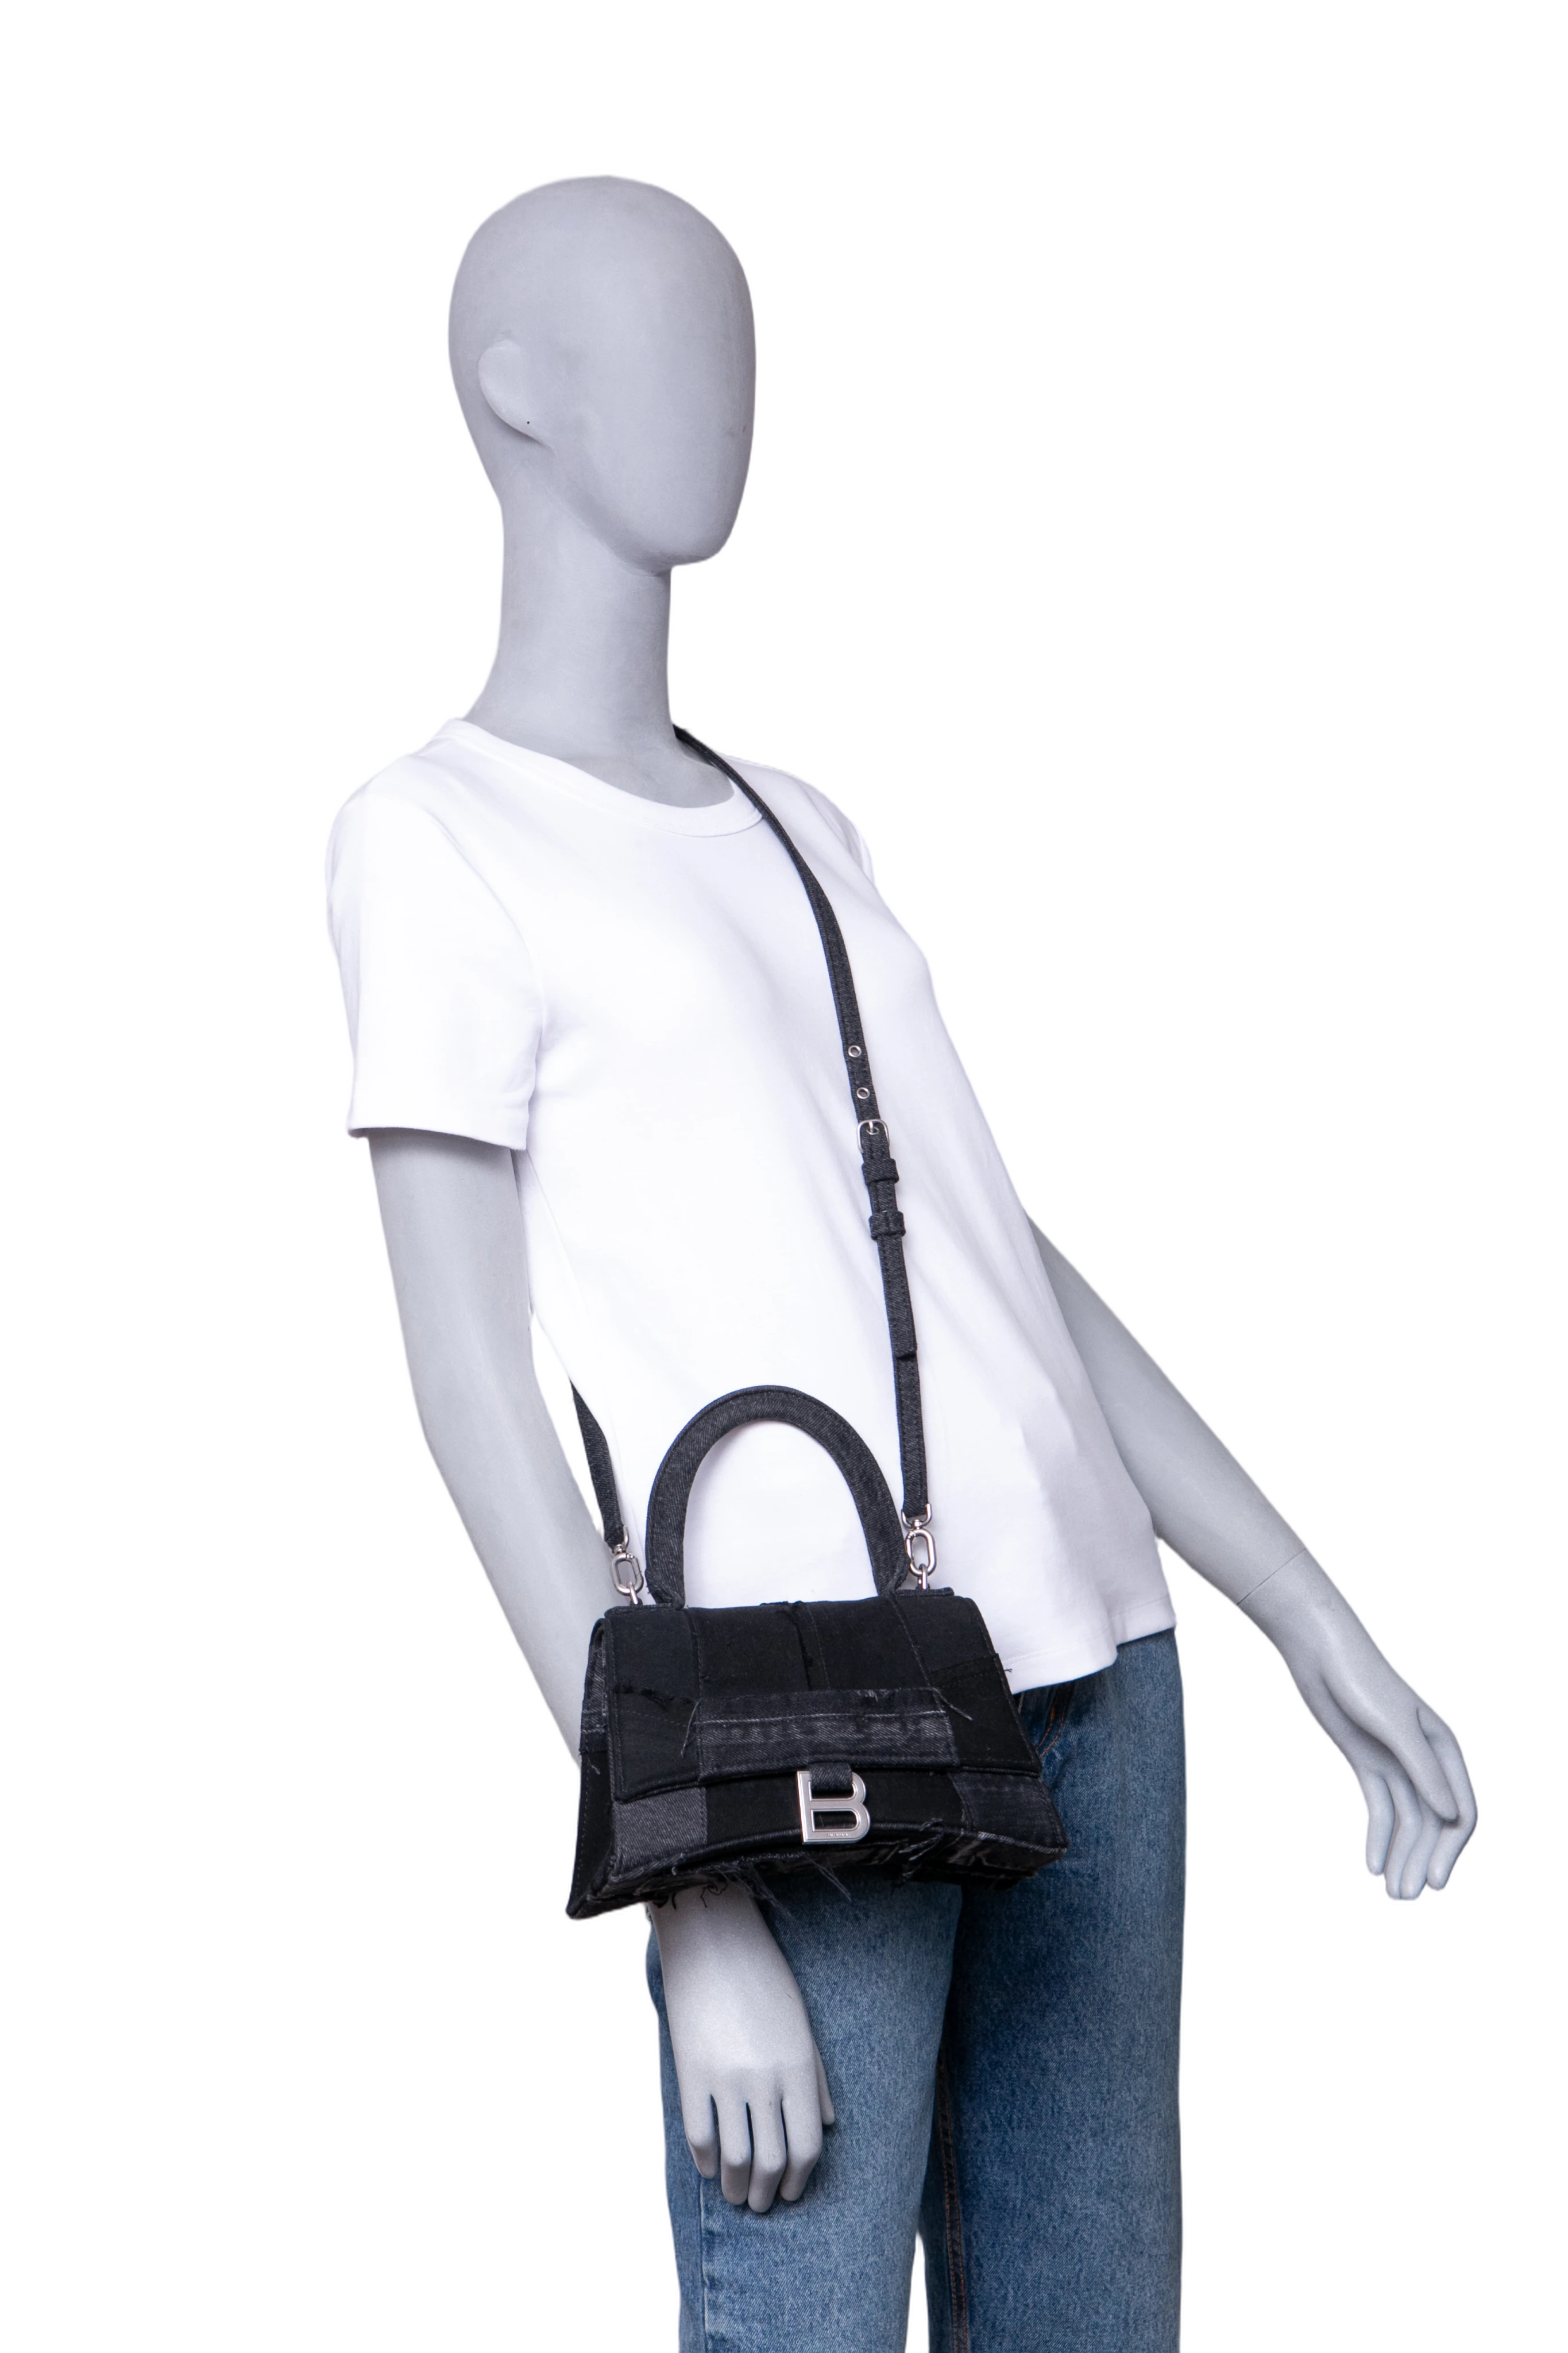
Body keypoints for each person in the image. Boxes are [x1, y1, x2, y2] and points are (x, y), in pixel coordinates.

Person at [318, 168, 1480, 2353]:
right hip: (801, 1730)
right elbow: (466, 1389)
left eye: (752, 345)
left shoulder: (806, 821)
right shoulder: (431, 833)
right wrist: (681, 1888)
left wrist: (1303, 1606)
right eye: (682, 337)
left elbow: (997, 1261)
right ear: (515, 388)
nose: (739, 395)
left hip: (1102, 1678)